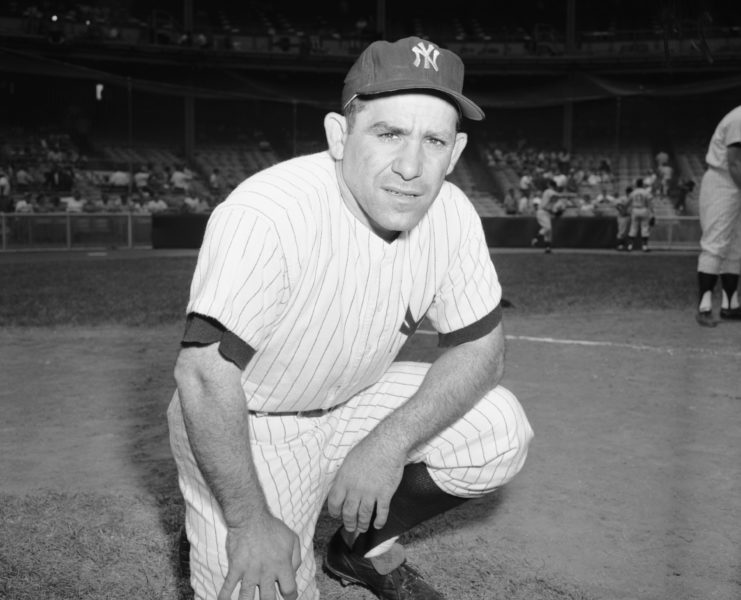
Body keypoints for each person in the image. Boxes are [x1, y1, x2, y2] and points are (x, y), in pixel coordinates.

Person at [167, 36, 533, 600]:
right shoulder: (268, 214)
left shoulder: (453, 215)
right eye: (389, 133)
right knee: (264, 585)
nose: (411, 166)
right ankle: (240, 518)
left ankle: (357, 550)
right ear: (340, 136)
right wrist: (247, 521)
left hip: (358, 401)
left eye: (432, 140)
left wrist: (386, 444)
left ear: (455, 152)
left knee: (498, 429)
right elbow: (202, 375)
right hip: (257, 421)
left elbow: (482, 350)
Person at [695, 104, 741, 327]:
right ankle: (704, 307)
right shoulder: (739, 118)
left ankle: (730, 306)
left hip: (736, 182)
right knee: (715, 244)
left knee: (736, 246)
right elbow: (735, 162)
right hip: (723, 181)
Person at [627, 178, 655, 252]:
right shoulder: (646, 192)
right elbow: (650, 204)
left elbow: (628, 201)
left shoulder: (633, 192)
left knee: (633, 228)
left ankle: (630, 246)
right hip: (644, 209)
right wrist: (652, 214)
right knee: (645, 228)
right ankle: (644, 247)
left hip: (635, 209)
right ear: (642, 184)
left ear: (636, 184)